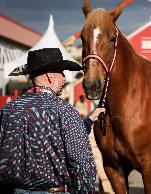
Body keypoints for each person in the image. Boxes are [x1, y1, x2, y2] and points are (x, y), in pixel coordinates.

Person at [0, 48, 105, 193]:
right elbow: (82, 165)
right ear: (50, 76)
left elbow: (41, 136)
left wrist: (86, 122)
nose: (64, 78)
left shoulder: (8, 110)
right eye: (61, 73)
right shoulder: (65, 111)